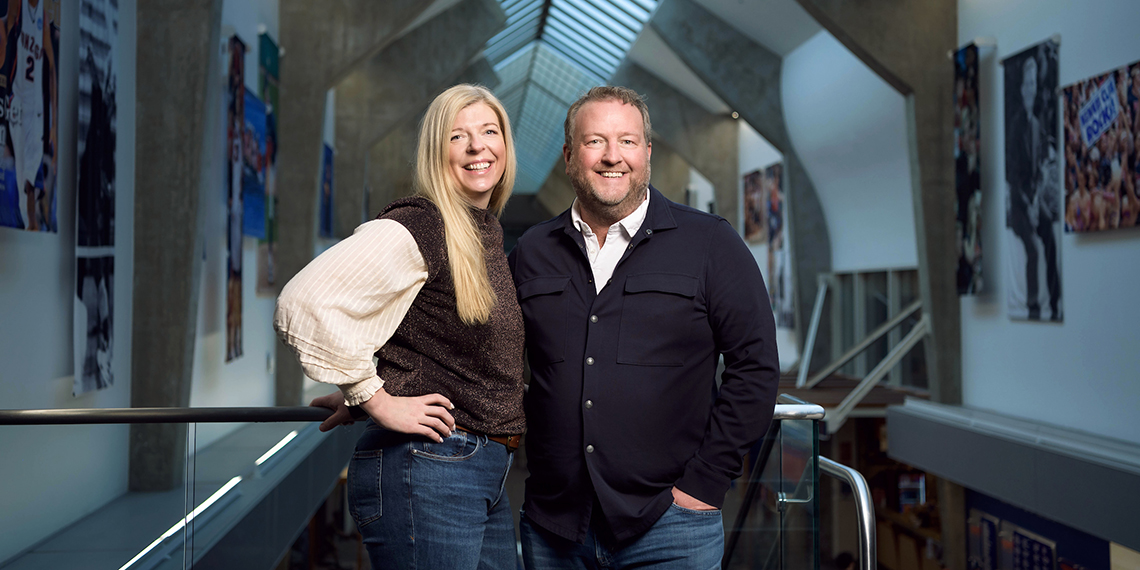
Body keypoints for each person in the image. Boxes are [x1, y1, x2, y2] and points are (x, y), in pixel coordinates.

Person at [509, 86, 779, 569]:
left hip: (671, 526)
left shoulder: (710, 243)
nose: (613, 157)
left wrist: (704, 483)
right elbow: (478, 347)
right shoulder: (531, 250)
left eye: (628, 142)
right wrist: (375, 388)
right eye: (595, 142)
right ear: (570, 156)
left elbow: (755, 368)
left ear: (647, 152)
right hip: (555, 527)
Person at [274, 84, 524, 569]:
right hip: (431, 469)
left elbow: (434, 338)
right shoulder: (422, 225)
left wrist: (370, 389)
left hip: (476, 469)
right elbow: (302, 301)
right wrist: (371, 395)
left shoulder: (481, 231)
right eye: (458, 136)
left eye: (490, 131)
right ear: (437, 151)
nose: (478, 147)